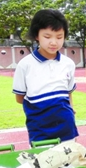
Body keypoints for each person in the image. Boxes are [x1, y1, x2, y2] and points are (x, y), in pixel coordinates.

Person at [12, 9, 79, 144]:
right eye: (47, 37)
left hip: (66, 126)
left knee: (70, 162)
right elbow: (20, 98)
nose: (54, 42)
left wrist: (70, 110)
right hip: (39, 128)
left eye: (59, 37)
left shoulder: (68, 64)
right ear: (37, 35)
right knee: (43, 163)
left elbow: (68, 93)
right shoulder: (25, 65)